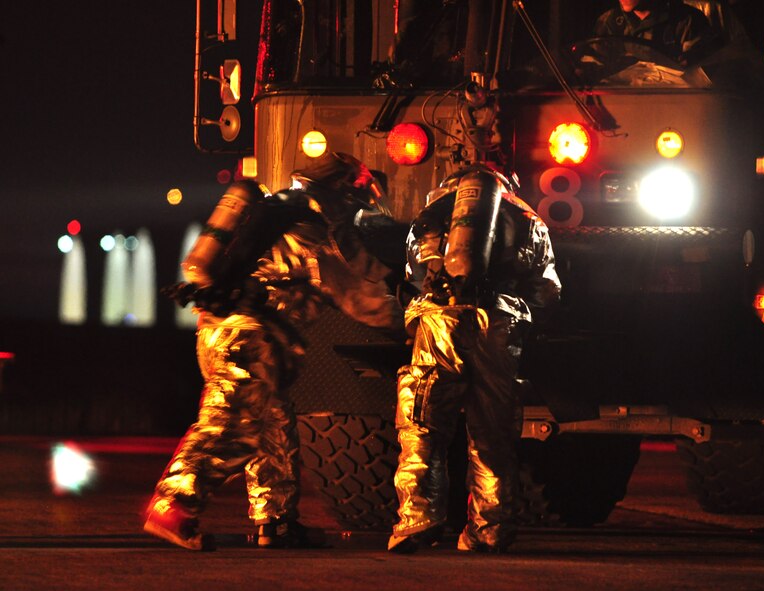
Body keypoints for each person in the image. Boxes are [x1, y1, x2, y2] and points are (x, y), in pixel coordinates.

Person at [144, 153, 405, 551]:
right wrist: (414, 322)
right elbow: (361, 297)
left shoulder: (278, 212)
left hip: (219, 330)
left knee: (272, 428)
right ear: (346, 188)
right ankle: (174, 503)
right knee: (231, 427)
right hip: (253, 337)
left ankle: (277, 522)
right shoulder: (321, 229)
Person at [387, 165, 562, 554]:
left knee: (424, 423)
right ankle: (489, 528)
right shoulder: (528, 219)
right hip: (499, 323)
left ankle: (417, 519)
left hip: (440, 319)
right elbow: (548, 289)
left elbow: (415, 272)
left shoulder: (433, 214)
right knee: (492, 433)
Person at [594, 0, 715, 65]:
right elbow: (596, 64)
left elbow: (702, 76)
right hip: (623, 101)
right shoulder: (609, 21)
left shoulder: (687, 20)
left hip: (671, 102)